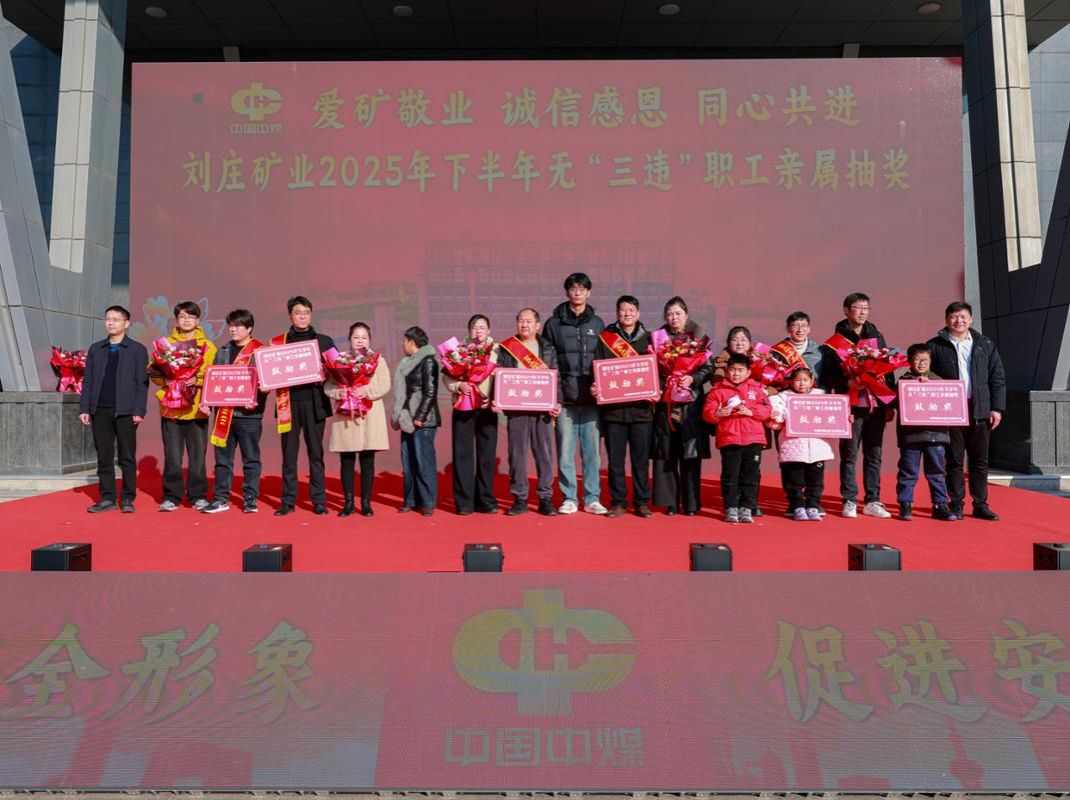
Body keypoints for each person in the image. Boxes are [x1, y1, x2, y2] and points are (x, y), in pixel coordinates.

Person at [927, 301, 1006, 521]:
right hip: (951, 410)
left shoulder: (985, 344)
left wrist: (997, 408)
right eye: (954, 317)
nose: (958, 321)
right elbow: (924, 371)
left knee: (980, 460)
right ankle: (956, 504)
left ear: (970, 319)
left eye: (963, 317)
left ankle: (980, 504)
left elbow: (997, 377)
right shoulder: (935, 345)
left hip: (980, 409)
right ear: (946, 320)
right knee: (954, 459)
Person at [541, 272, 607, 515]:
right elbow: (548, 363)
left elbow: (604, 360)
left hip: (591, 400)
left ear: (589, 293)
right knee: (565, 452)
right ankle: (569, 497)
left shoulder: (598, 324)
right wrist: (555, 397)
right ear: (567, 292)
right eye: (573, 288)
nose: (577, 293)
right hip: (565, 400)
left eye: (582, 289)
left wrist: (600, 387)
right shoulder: (553, 324)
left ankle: (592, 497)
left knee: (592, 454)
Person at [823, 292, 893, 519]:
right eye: (858, 307)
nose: (863, 312)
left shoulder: (877, 336)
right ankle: (849, 499)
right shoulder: (835, 341)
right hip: (850, 405)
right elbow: (828, 375)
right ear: (846, 310)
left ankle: (872, 500)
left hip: (876, 404)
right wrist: (847, 383)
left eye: (866, 308)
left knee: (874, 453)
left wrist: (890, 403)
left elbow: (887, 370)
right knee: (850, 454)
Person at [79, 306, 149, 513]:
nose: (111, 323)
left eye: (116, 319)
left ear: (127, 323)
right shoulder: (96, 349)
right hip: (100, 409)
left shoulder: (137, 349)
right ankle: (107, 497)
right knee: (104, 455)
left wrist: (139, 410)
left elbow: (141, 384)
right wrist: (84, 408)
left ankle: (127, 498)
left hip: (126, 411)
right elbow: (88, 381)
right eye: (108, 319)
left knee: (127, 456)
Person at [150, 301, 217, 512]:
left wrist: (197, 380)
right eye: (182, 316)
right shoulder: (165, 345)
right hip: (170, 408)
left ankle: (198, 496)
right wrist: (167, 380)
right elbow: (153, 372)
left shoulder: (208, 346)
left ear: (198, 320)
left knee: (197, 457)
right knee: (172, 455)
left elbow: (214, 374)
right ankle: (172, 496)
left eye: (191, 317)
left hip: (197, 409)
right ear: (176, 319)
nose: (186, 320)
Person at [272, 296, 335, 517]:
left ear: (311, 315)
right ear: (290, 316)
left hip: (315, 403)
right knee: (289, 455)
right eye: (298, 313)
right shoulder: (278, 343)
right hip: (288, 403)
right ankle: (288, 500)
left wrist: (327, 373)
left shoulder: (325, 341)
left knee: (316, 453)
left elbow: (338, 370)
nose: (302, 316)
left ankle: (319, 500)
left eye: (306, 312)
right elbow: (270, 371)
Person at [495, 308, 561, 516]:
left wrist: (557, 402)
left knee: (544, 455)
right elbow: (499, 374)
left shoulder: (547, 347)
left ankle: (545, 498)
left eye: (529, 321)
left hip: (542, 411)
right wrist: (497, 398)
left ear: (538, 325)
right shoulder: (508, 347)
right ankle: (520, 498)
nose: (524, 325)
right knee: (517, 455)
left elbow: (556, 377)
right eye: (521, 321)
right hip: (517, 410)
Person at [593, 295, 654, 518]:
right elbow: (597, 368)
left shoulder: (650, 340)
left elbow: (658, 371)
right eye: (623, 310)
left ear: (638, 314)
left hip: (642, 412)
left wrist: (656, 389)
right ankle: (618, 502)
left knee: (640, 461)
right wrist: (595, 385)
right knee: (615, 462)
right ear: (617, 313)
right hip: (614, 412)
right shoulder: (605, 339)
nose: (627, 313)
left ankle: (641, 502)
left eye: (631, 310)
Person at [651, 296, 713, 516]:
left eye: (678, 313)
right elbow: (650, 368)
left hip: (691, 403)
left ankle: (691, 503)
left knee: (690, 453)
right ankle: (670, 502)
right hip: (666, 403)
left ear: (686, 315)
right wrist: (662, 382)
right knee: (667, 453)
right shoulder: (657, 339)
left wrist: (693, 378)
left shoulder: (699, 338)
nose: (673, 318)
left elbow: (708, 368)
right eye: (669, 314)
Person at [200, 309, 265, 514]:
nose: (233, 330)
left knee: (251, 459)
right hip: (224, 414)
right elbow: (214, 381)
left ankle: (250, 498)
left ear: (249, 328)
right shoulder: (223, 350)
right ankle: (221, 498)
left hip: (249, 416)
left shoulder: (259, 351)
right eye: (231, 326)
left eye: (238, 326)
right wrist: (207, 403)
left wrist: (258, 398)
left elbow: (266, 383)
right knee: (222, 460)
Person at [325, 322, 391, 518]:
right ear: (350, 339)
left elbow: (385, 384)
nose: (360, 340)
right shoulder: (339, 360)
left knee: (367, 461)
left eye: (364, 337)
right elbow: (328, 386)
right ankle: (348, 503)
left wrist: (365, 391)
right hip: (345, 417)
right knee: (346, 460)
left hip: (370, 416)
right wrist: (339, 392)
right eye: (356, 337)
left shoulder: (378, 360)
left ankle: (366, 503)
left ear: (369, 340)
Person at [892, 344, 958, 522]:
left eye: (925, 360)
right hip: (911, 436)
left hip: (936, 435)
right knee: (908, 471)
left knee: (937, 471)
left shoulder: (939, 381)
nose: (921, 364)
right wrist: (915, 386)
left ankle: (940, 504)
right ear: (909, 362)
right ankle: (905, 504)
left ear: (930, 361)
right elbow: (896, 404)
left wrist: (931, 386)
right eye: (917, 360)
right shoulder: (904, 382)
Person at [703, 353, 772, 523]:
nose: (736, 373)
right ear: (727, 371)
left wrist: (751, 412)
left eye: (740, 370)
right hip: (730, 438)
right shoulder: (718, 390)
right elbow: (707, 413)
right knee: (730, 475)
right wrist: (718, 413)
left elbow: (767, 410)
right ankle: (731, 507)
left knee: (751, 475)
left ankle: (747, 507)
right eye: (733, 370)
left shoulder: (756, 389)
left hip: (753, 439)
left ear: (748, 372)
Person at [444, 314, 500, 516]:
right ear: (469, 331)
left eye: (482, 327)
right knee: (462, 455)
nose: (478, 330)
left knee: (486, 456)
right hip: (463, 407)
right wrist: (459, 385)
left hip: (487, 408)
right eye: (475, 327)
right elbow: (447, 377)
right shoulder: (459, 350)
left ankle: (485, 500)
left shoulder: (497, 351)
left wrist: (493, 397)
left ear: (489, 331)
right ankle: (464, 502)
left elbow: (504, 378)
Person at [768, 367, 833, 521]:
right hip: (793, 447)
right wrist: (782, 415)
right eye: (798, 380)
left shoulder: (822, 396)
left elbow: (834, 416)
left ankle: (813, 505)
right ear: (791, 382)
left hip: (817, 448)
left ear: (812, 381)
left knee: (815, 480)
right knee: (793, 480)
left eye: (805, 380)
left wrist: (845, 419)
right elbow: (775, 420)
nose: (802, 383)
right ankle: (796, 506)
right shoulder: (782, 398)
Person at [392, 326, 440, 517]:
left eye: (405, 341)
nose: (402, 344)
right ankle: (411, 500)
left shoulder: (428, 362)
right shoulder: (407, 363)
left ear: (412, 342)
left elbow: (430, 392)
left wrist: (420, 416)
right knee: (408, 462)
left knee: (424, 462)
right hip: (407, 418)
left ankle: (428, 502)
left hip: (423, 420)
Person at [778, 311, 825, 385]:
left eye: (803, 325)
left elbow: (826, 377)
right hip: (786, 391)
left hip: (814, 391)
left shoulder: (820, 351)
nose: (800, 330)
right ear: (788, 328)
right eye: (795, 325)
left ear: (809, 329)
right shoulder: (777, 351)